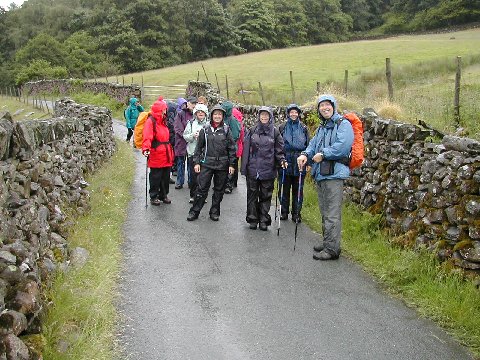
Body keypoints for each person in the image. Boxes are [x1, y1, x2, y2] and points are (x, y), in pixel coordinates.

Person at [297, 94, 354, 260]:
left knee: (332, 213)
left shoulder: (343, 125)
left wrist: (324, 154)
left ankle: (332, 249)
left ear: (334, 106)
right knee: (325, 211)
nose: (325, 108)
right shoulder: (322, 128)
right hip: (322, 174)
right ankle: (328, 241)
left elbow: (342, 147)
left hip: (334, 175)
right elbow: (313, 145)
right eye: (322, 106)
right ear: (319, 109)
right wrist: (304, 155)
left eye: (328, 105)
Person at [241, 106, 287, 231]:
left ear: (270, 116)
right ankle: (252, 219)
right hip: (253, 169)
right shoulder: (252, 130)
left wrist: (282, 160)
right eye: (262, 115)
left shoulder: (275, 132)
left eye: (266, 115)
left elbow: (279, 150)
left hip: (268, 169)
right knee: (252, 195)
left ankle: (263, 220)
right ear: (259, 116)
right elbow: (246, 151)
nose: (264, 117)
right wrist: (244, 168)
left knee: (265, 195)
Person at [187, 105, 236, 222]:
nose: (217, 116)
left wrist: (232, 165)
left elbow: (232, 149)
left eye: (220, 114)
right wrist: (197, 162)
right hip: (207, 163)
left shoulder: (226, 130)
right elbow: (198, 148)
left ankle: (214, 212)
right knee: (201, 188)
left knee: (219, 190)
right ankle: (194, 211)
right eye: (215, 114)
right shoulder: (205, 129)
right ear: (211, 115)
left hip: (222, 165)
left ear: (223, 116)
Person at [278, 104, 310, 223]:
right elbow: (277, 146)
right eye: (291, 112)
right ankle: (284, 212)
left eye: (295, 112)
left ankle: (296, 213)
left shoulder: (303, 128)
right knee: (284, 188)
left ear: (298, 114)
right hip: (285, 160)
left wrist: (308, 163)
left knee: (298, 189)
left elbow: (308, 146)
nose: (293, 114)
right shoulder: (282, 127)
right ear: (288, 113)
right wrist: (280, 160)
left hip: (299, 161)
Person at [142, 97, 175, 206]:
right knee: (156, 176)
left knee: (165, 176)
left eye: (165, 109)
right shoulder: (151, 122)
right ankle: (154, 196)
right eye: (163, 109)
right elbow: (147, 137)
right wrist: (146, 149)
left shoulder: (163, 121)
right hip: (156, 152)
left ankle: (163, 195)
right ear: (158, 110)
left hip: (166, 153)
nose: (165, 111)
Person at [183, 103, 209, 203]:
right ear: (195, 113)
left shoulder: (209, 124)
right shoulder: (190, 123)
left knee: (204, 177)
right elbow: (185, 136)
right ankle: (193, 195)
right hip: (193, 153)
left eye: (202, 112)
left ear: (206, 113)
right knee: (194, 176)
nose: (201, 113)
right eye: (199, 112)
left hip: (205, 154)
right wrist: (193, 135)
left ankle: (202, 196)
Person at [173, 97, 196, 189]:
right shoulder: (180, 114)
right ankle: (179, 181)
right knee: (180, 163)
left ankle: (191, 181)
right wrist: (185, 135)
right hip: (181, 142)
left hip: (192, 143)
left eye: (195, 103)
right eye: (192, 103)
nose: (193, 105)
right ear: (187, 103)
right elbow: (177, 127)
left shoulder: (197, 115)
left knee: (191, 164)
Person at [221, 101, 241, 194]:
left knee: (230, 166)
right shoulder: (222, 119)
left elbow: (236, 135)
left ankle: (229, 185)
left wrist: (227, 141)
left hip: (230, 147)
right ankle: (223, 184)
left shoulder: (232, 120)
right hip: (221, 148)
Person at [231, 107, 245, 188]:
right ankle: (234, 182)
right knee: (235, 164)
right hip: (238, 147)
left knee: (232, 165)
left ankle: (231, 182)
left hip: (235, 147)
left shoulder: (233, 123)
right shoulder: (240, 123)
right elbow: (242, 136)